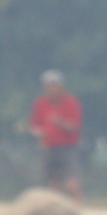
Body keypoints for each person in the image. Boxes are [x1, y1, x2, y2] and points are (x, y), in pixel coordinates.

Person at [27, 71, 83, 201]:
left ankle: (78, 206)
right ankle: (54, 208)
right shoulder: (40, 103)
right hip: (49, 146)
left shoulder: (70, 102)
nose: (51, 89)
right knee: (53, 182)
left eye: (54, 85)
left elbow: (73, 126)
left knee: (71, 181)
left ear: (61, 86)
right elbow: (34, 126)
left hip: (67, 146)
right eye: (48, 86)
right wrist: (40, 132)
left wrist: (59, 122)